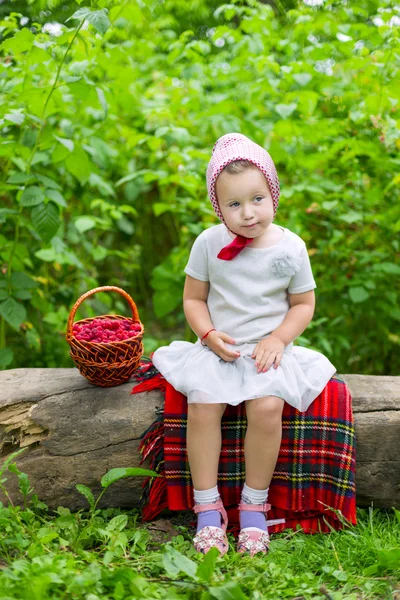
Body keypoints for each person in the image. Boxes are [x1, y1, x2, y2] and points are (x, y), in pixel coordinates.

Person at [152, 132, 337, 557]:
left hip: (266, 348)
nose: (248, 213)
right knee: (201, 405)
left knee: (268, 406)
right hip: (221, 346)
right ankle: (207, 507)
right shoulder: (208, 243)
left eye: (257, 199)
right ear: (219, 206)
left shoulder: (290, 247)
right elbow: (194, 299)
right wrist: (208, 334)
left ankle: (254, 506)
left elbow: (303, 304)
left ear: (272, 192)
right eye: (234, 204)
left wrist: (279, 337)